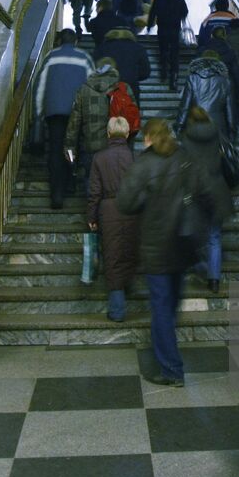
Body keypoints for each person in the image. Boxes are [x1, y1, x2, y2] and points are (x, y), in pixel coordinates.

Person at [118, 118, 214, 387]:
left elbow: (125, 202)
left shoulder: (144, 164)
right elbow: (206, 192)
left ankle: (171, 369)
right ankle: (169, 352)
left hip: (156, 246)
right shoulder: (185, 158)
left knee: (161, 307)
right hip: (183, 244)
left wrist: (146, 201)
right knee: (170, 306)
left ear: (147, 137)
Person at [34, 29, 94, 210]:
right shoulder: (84, 58)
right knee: (71, 148)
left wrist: (38, 114)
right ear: (76, 41)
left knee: (55, 151)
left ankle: (57, 195)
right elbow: (93, 85)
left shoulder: (51, 57)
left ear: (60, 40)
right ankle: (70, 182)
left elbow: (40, 86)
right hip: (77, 112)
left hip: (55, 113)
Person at [88, 116, 139, 322]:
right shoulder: (135, 157)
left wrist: (91, 216)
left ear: (108, 134)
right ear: (127, 134)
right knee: (130, 250)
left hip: (108, 211)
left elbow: (94, 191)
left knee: (112, 256)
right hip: (133, 209)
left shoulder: (99, 158)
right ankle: (129, 287)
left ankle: (117, 310)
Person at [180, 105, 231, 294]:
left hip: (195, 191)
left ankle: (200, 267)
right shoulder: (216, 133)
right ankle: (214, 279)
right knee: (215, 237)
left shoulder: (186, 138)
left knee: (194, 234)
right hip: (216, 190)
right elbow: (225, 155)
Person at [64, 60, 122, 209]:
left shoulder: (84, 89)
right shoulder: (121, 88)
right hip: (115, 147)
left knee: (92, 183)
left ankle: (93, 219)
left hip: (90, 147)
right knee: (114, 186)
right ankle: (109, 222)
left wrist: (70, 149)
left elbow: (74, 123)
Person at [175, 49, 235, 141]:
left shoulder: (192, 79)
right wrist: (231, 133)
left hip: (196, 123)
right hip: (218, 126)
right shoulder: (225, 81)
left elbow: (185, 107)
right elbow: (229, 111)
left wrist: (179, 128)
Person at [94, 26, 151, 114]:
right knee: (130, 121)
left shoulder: (101, 48)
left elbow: (95, 69)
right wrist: (133, 75)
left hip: (107, 90)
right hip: (131, 89)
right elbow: (145, 72)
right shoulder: (138, 48)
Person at [146, 0, 189, 89]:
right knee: (174, 54)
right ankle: (173, 79)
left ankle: (164, 72)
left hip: (163, 29)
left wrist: (149, 26)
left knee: (163, 51)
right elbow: (185, 12)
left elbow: (152, 13)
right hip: (175, 30)